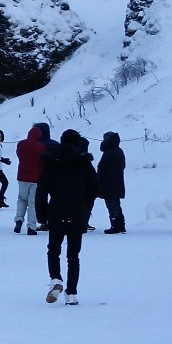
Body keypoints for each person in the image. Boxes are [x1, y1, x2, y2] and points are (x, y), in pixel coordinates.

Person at [36, 129, 99, 303]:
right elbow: (94, 188)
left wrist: (42, 215)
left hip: (56, 210)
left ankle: (56, 279)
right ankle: (71, 293)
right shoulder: (84, 162)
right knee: (73, 255)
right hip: (77, 211)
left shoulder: (52, 162)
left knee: (53, 249)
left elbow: (41, 190)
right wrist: (85, 207)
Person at [13, 123, 49, 234]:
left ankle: (19, 219)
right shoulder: (41, 147)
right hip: (35, 177)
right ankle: (31, 227)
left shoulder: (21, 144)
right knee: (32, 203)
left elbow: (19, 156)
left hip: (22, 176)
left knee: (21, 199)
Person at [97, 130, 128, 234]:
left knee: (111, 205)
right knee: (116, 204)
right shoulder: (118, 151)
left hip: (109, 183)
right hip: (116, 182)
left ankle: (115, 225)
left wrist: (99, 177)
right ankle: (120, 225)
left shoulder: (110, 152)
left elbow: (102, 168)